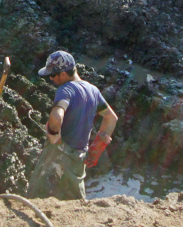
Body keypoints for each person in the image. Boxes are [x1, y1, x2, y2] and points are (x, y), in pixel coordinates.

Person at [26, 51, 118, 201]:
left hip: (58, 156)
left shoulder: (66, 90)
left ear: (63, 74)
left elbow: (56, 117)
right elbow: (111, 118)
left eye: (52, 75)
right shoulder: (93, 91)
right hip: (78, 159)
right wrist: (96, 149)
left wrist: (53, 134)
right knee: (76, 204)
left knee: (36, 197)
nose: (51, 79)